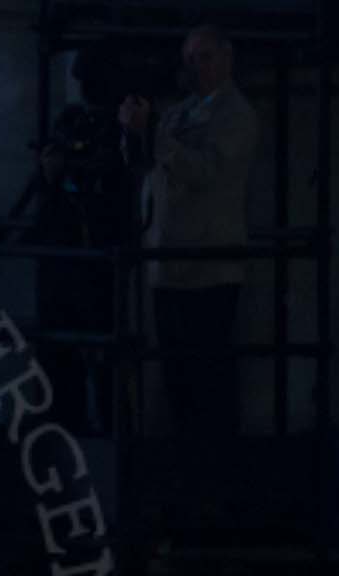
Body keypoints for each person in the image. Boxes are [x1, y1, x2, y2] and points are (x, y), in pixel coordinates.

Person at [120, 25, 257, 449]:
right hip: (169, 261)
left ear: (228, 57)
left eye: (205, 57)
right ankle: (188, 458)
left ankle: (214, 461)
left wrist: (154, 135)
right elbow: (145, 163)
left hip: (209, 266)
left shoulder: (236, 116)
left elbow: (205, 172)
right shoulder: (179, 113)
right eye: (191, 59)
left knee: (208, 375)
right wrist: (133, 132)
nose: (198, 67)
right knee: (177, 373)